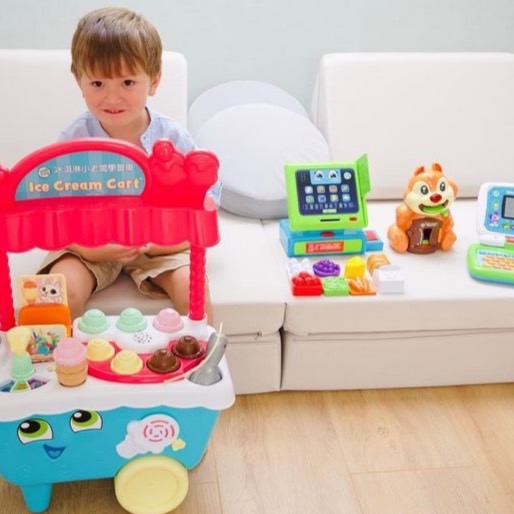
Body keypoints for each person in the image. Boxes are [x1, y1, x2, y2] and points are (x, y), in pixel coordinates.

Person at [38, 7, 217, 324]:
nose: (112, 97)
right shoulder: (73, 140)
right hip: (88, 245)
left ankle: (200, 354)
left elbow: (207, 199)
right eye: (97, 83)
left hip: (159, 244)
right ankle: (64, 355)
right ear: (79, 81)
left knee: (193, 290)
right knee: (62, 291)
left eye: (127, 82)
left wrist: (165, 244)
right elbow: (51, 208)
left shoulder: (173, 137)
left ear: (154, 80)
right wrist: (88, 249)